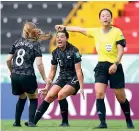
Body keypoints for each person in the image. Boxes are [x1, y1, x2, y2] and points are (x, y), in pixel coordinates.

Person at [55, 8, 134, 129]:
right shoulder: (96, 31)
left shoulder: (117, 32)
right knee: (99, 93)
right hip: (101, 66)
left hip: (115, 66)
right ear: (100, 19)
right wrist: (64, 28)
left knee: (121, 97)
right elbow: (80, 30)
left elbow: (121, 50)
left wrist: (116, 64)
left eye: (107, 15)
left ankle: (129, 121)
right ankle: (103, 123)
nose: (105, 17)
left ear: (111, 18)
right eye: (103, 16)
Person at [33, 29, 84, 127]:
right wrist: (47, 88)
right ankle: (33, 122)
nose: (59, 39)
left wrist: (81, 87)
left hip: (74, 78)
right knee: (49, 96)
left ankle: (65, 122)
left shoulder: (74, 50)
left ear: (67, 38)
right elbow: (52, 71)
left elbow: (78, 70)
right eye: (57, 37)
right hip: (62, 77)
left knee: (61, 94)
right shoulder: (55, 52)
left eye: (62, 37)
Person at [6, 22, 51, 127]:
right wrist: (45, 78)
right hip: (27, 74)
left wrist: (12, 71)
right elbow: (39, 63)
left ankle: (17, 122)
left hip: (15, 75)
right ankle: (31, 122)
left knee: (22, 97)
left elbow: (8, 60)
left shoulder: (17, 42)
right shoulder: (35, 44)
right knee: (33, 97)